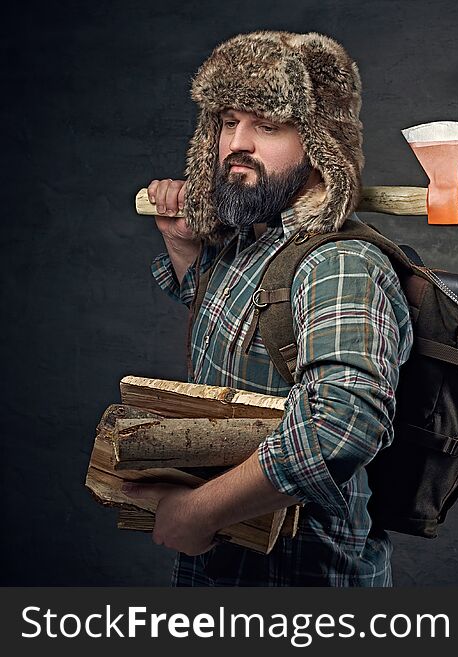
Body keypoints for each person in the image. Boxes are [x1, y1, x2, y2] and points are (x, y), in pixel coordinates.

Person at [124, 31, 413, 586]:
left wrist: (199, 510)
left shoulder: (341, 264)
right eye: (229, 122)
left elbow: (341, 426)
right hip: (223, 565)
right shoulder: (254, 241)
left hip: (301, 579)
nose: (238, 142)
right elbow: (238, 340)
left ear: (319, 143)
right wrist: (185, 244)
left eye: (268, 125)